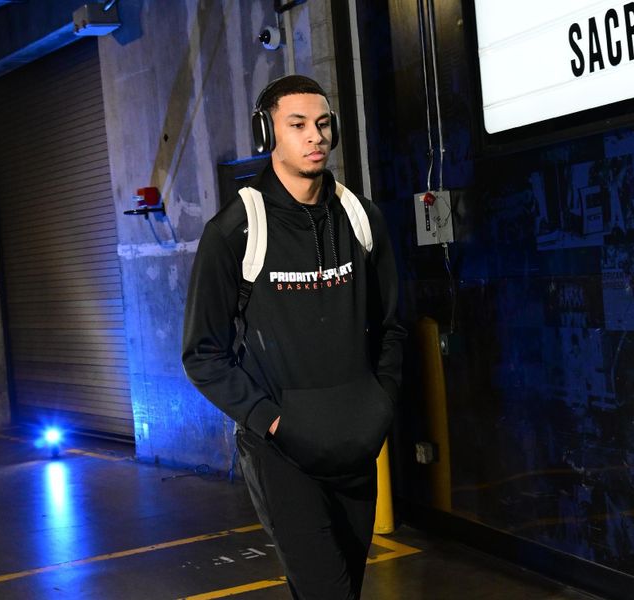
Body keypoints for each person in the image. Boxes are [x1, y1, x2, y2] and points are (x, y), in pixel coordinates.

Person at [181, 74, 405, 599]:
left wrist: (381, 403)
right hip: (283, 453)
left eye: (323, 125)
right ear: (268, 134)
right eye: (298, 125)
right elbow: (203, 354)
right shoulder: (236, 229)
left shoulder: (360, 217)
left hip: (356, 442)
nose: (315, 137)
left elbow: (392, 326)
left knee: (343, 587)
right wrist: (272, 421)